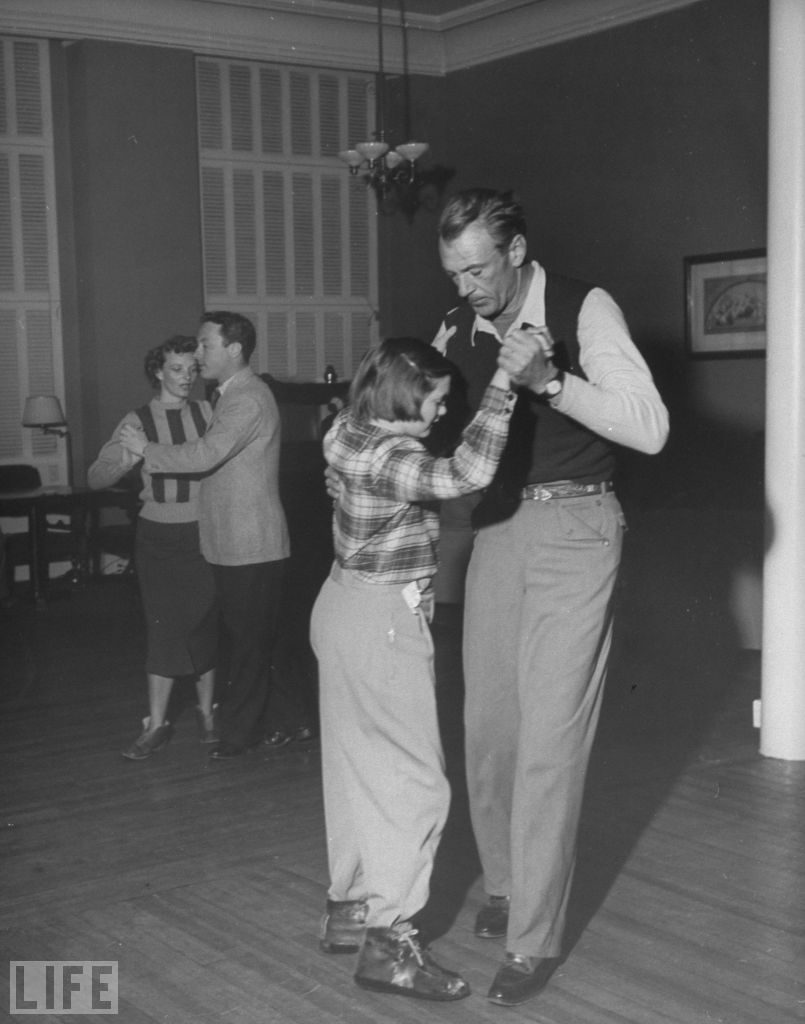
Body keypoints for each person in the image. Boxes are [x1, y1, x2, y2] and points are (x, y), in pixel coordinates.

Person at [432, 188, 669, 1006]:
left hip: (576, 530)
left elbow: (648, 426)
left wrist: (553, 381)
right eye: (454, 273)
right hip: (494, 532)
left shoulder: (583, 305)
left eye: (477, 269)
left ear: (517, 251)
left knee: (548, 742)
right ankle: (504, 885)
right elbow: (442, 434)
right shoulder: (456, 327)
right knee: (487, 729)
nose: (466, 287)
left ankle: (533, 939)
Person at [310, 337, 516, 1002]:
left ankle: (350, 910)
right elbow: (464, 476)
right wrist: (501, 391)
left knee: (354, 767)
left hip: (339, 605)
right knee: (415, 784)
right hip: (382, 622)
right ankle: (388, 945)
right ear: (403, 394)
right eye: (434, 397)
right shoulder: (391, 454)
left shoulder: (346, 429)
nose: (440, 410)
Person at [120, 312, 290, 760]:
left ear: (234, 349)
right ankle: (283, 723)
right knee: (251, 640)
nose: (197, 355)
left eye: (204, 345)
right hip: (232, 541)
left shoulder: (245, 399)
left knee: (251, 643)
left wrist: (147, 451)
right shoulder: (228, 395)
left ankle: (242, 732)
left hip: (249, 540)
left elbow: (207, 454)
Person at [88, 336, 217, 760]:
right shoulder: (138, 420)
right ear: (158, 372)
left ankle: (207, 716)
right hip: (158, 539)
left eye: (192, 369)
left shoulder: (209, 412)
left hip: (205, 535)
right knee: (164, 629)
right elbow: (96, 477)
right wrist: (126, 459)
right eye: (177, 369)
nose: (186, 377)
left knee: (203, 626)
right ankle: (157, 724)